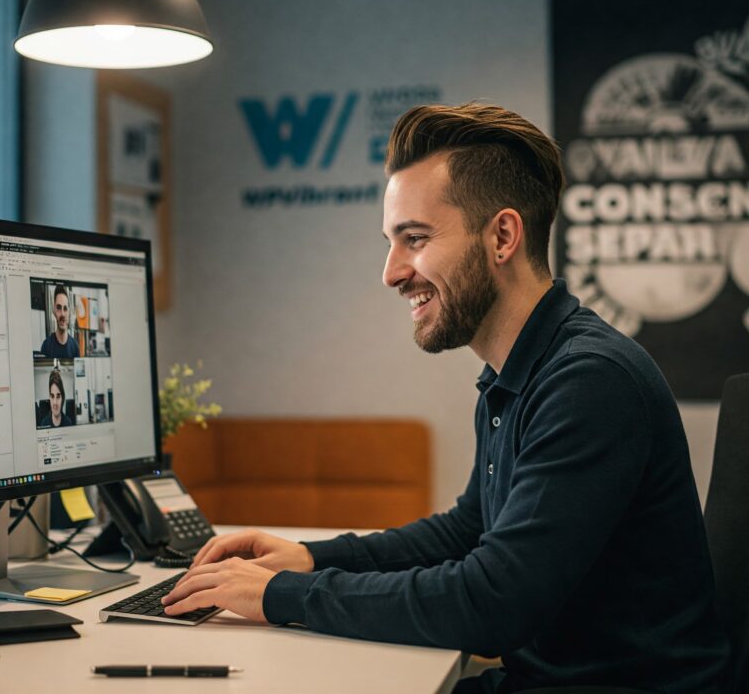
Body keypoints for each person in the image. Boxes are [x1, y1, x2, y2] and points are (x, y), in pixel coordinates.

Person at [162, 104, 728, 693]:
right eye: (392, 243)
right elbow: (467, 531)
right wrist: (309, 559)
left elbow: (493, 603)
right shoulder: (517, 374)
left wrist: (283, 595)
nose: (390, 273)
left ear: (502, 236)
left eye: (415, 239)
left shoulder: (589, 381)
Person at [40, 284, 80, 358]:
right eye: (58, 308)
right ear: (54, 310)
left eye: (65, 308)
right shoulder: (46, 346)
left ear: (69, 312)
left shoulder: (75, 347)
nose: (62, 314)